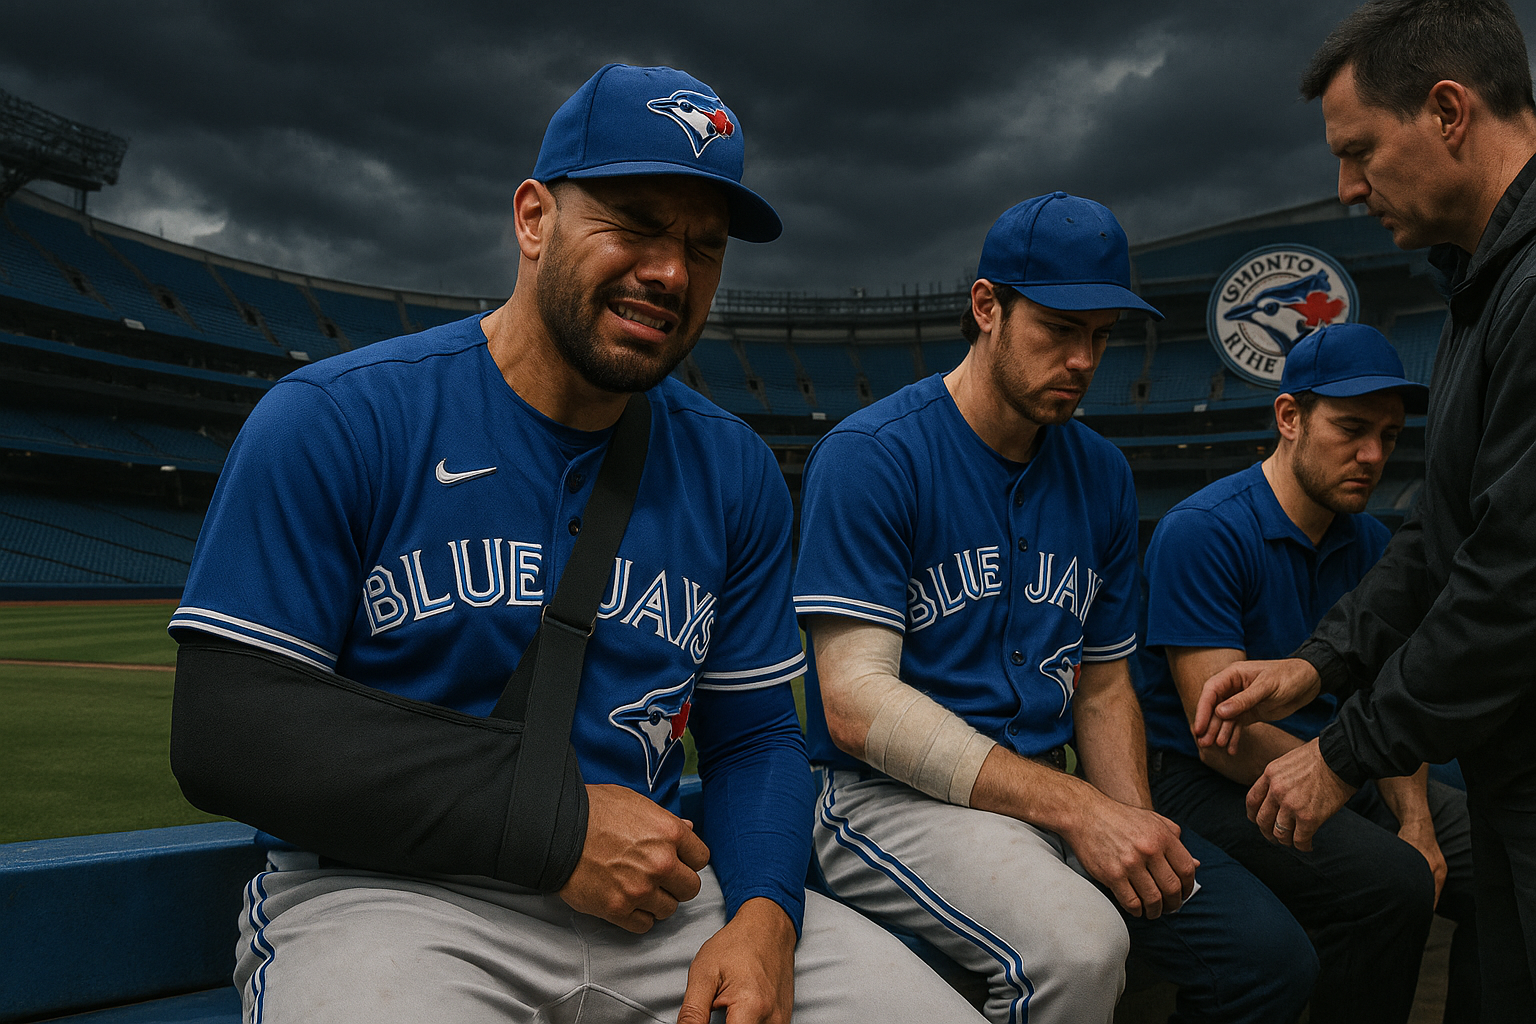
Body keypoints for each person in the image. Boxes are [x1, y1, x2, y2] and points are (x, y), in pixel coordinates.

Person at [167, 63, 982, 1024]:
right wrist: (553, 827)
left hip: (664, 912)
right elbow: (228, 728)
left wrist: (764, 913)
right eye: (634, 223)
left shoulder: (735, 470)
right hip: (387, 893)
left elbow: (757, 737)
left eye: (704, 247)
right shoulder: (339, 418)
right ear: (533, 219)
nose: (671, 272)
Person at [793, 192, 1317, 1024]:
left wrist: (1135, 825)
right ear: (987, 308)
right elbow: (856, 707)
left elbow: (1105, 688)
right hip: (885, 798)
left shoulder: (1102, 473)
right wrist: (1082, 810)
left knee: (1270, 958)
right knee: (1077, 950)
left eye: (1101, 338)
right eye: (1059, 330)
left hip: (1040, 795)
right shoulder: (873, 455)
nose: (1082, 360)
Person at [1192, 0, 1536, 1017]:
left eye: (1359, 152)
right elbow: (1443, 530)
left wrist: (1342, 753)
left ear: (1447, 110)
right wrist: (1319, 662)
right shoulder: (1487, 285)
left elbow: (1511, 586)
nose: (1347, 189)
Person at [1138, 323, 1476, 1024]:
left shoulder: (1374, 540)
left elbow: (1389, 696)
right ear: (1289, 417)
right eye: (1352, 428)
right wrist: (1349, 779)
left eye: (1389, 435)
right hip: (1206, 782)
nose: (1374, 454)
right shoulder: (1203, 530)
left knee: (1495, 857)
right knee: (1395, 881)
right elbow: (1219, 737)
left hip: (1338, 763)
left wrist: (1413, 816)